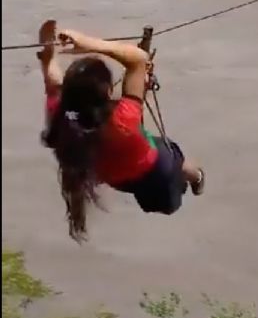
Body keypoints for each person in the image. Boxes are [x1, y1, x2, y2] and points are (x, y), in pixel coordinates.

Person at [36, 20, 205, 242]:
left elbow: (52, 79)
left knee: (152, 152)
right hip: (154, 171)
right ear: (108, 91)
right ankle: (197, 177)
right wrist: (90, 43)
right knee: (173, 160)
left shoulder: (62, 118)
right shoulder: (123, 120)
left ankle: (189, 178)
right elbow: (138, 60)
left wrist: (48, 53)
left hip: (117, 178)